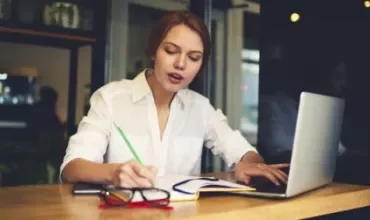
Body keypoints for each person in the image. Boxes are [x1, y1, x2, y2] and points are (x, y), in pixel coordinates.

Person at [60, 11, 289, 188]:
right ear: (153, 51)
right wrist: (113, 173)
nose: (181, 64)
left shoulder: (200, 108)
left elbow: (244, 152)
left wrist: (247, 164)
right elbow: (72, 168)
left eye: (194, 57)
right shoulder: (110, 98)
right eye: (171, 51)